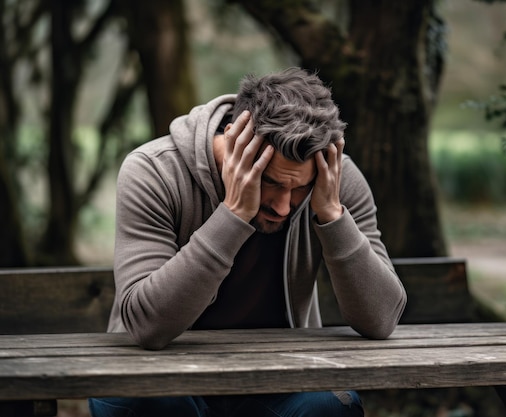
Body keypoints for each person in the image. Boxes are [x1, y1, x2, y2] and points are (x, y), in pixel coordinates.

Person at [89, 67, 407, 417]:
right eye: (269, 181)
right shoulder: (154, 172)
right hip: (160, 371)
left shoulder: (334, 180)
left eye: (299, 187)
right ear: (234, 142)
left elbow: (381, 320)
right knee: (156, 402)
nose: (284, 206)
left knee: (331, 408)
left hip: (272, 377)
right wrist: (234, 213)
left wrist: (331, 214)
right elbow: (147, 326)